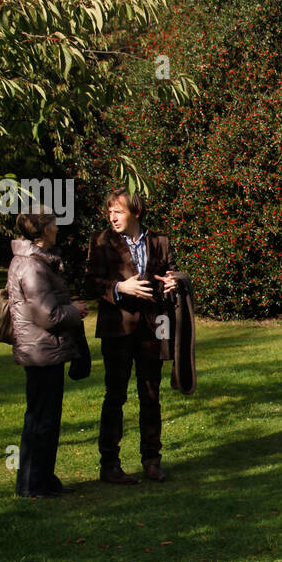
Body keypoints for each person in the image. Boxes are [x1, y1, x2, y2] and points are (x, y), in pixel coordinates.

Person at [86, 189, 179, 484]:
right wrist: (119, 288)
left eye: (119, 211)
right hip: (117, 329)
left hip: (153, 328)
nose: (112, 217)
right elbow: (89, 283)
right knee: (115, 396)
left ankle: (152, 461)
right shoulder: (101, 242)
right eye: (110, 212)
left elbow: (172, 274)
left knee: (151, 396)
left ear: (136, 213)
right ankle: (109, 464)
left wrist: (174, 282)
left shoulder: (159, 241)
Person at [7, 207, 88, 498]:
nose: (58, 228)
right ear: (42, 231)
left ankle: (41, 480)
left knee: (43, 417)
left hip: (43, 349)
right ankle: (34, 483)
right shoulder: (32, 266)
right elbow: (48, 315)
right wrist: (75, 311)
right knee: (42, 419)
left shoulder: (36, 262)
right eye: (53, 224)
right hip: (42, 350)